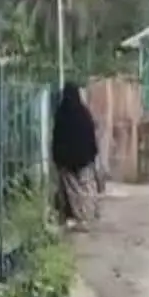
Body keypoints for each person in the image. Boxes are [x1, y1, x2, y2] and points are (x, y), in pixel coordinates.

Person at [51, 82, 99, 227]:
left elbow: (57, 138)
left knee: (72, 190)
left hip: (66, 161)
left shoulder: (61, 114)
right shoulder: (84, 114)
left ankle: (77, 216)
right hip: (85, 159)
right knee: (86, 188)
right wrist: (93, 154)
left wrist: (57, 158)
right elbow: (91, 136)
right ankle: (87, 216)